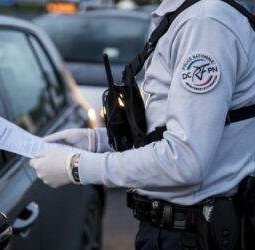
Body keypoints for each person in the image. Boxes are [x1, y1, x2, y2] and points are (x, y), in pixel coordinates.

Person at [30, 0, 255, 249]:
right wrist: (97, 141)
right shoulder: (190, 14)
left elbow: (185, 159)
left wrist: (77, 167)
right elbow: (171, 131)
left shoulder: (204, 22)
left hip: (191, 235)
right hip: (184, 231)